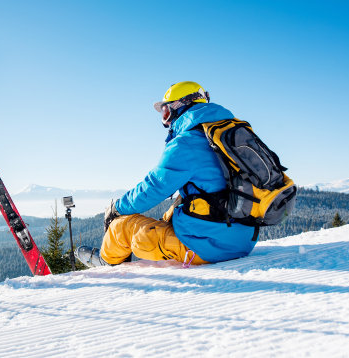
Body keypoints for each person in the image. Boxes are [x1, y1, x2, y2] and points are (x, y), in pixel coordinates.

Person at [75, 81, 258, 268]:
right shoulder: (231, 135)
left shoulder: (187, 143)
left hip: (211, 247)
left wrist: (117, 209)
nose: (166, 120)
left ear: (180, 106)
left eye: (166, 111)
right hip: (244, 239)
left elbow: (153, 187)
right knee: (173, 210)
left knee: (121, 227)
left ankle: (107, 262)